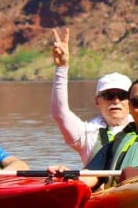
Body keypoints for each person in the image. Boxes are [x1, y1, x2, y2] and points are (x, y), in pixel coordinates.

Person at [49, 27, 132, 164]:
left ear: (131, 100)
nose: (116, 100)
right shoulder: (85, 134)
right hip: (96, 185)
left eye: (122, 95)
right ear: (97, 101)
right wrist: (62, 68)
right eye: (108, 95)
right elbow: (60, 113)